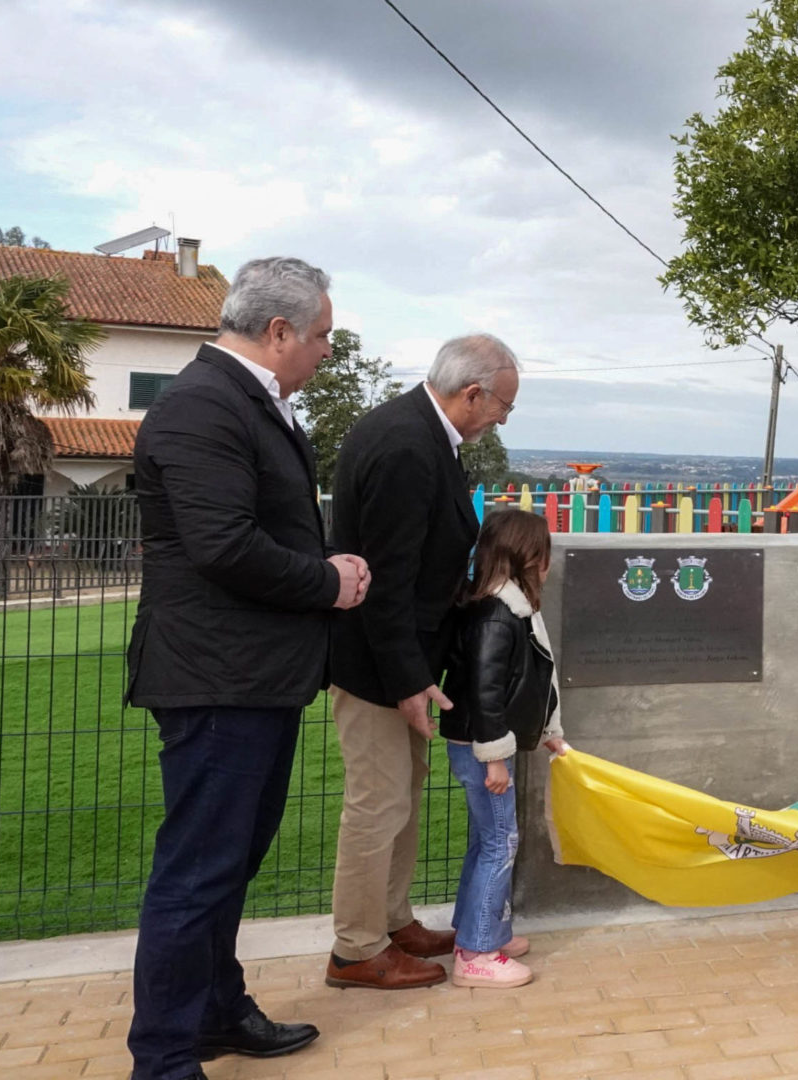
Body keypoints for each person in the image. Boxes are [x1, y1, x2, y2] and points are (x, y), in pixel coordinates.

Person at [126, 257, 364, 1080]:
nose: (328, 350)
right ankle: (163, 1059)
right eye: (323, 335)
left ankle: (214, 1013)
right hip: (216, 677)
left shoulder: (248, 402)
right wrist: (328, 582)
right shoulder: (203, 405)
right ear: (279, 331)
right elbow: (222, 545)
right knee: (197, 873)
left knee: (226, 866)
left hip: (253, 675)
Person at [325, 334, 518, 990]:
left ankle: (390, 921)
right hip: (378, 666)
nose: (501, 420)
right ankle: (356, 949)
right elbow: (388, 579)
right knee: (378, 803)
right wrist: (410, 681)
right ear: (473, 393)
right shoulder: (407, 445)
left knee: (400, 797)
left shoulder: (423, 434)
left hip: (397, 661)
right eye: (502, 407)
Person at [438, 509, 568, 989]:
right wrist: (493, 757)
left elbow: (525, 682)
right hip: (484, 746)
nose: (548, 563)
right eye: (543, 553)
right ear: (525, 557)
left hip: (486, 742)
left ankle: (478, 930)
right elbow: (486, 691)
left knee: (487, 839)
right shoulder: (498, 615)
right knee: (500, 842)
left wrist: (548, 729)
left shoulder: (507, 608)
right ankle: (477, 953)